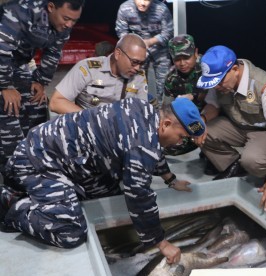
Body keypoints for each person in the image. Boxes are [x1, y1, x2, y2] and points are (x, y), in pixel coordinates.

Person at [0, 97, 205, 264]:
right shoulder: (140, 145)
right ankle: (12, 204)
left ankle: (47, 198)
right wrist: (161, 243)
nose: (180, 142)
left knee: (113, 200)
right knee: (71, 232)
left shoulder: (144, 110)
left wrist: (170, 179)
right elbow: (139, 197)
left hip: (70, 159)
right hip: (38, 162)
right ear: (166, 124)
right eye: (181, 136)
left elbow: (153, 150)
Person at [195, 45, 266, 212]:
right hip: (240, 126)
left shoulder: (264, 85)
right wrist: (200, 122)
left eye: (219, 82)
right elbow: (213, 106)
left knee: (253, 161)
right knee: (203, 132)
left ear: (234, 69)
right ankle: (235, 166)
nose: (217, 87)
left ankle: (265, 168)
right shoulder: (220, 82)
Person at [0, 0, 84, 186]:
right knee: (8, 107)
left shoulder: (63, 23)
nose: (69, 24)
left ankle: (33, 159)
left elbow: (54, 51)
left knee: (36, 101)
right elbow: (2, 49)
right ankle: (13, 176)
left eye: (74, 21)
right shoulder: (21, 12)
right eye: (66, 18)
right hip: (3, 63)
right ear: (51, 7)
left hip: (16, 63)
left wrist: (40, 80)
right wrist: (5, 86)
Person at [49, 33, 148, 114]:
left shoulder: (139, 77)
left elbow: (142, 112)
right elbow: (56, 102)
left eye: (141, 63)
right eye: (134, 62)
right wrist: (92, 120)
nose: (137, 68)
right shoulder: (87, 69)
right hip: (87, 130)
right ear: (118, 54)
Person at [115, 0, 174, 106]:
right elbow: (121, 31)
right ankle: (138, 109)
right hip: (136, 51)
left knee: (165, 83)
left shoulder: (161, 9)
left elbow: (168, 32)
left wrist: (150, 42)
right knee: (136, 82)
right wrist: (135, 45)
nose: (143, 3)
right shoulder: (125, 8)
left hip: (159, 50)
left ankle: (164, 111)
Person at [162, 34, 209, 157]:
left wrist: (193, 96)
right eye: (177, 59)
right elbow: (167, 109)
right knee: (170, 146)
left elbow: (218, 104)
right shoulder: (171, 78)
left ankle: (208, 150)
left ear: (195, 52)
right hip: (185, 120)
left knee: (209, 137)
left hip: (209, 116)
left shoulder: (208, 69)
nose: (182, 63)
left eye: (186, 57)